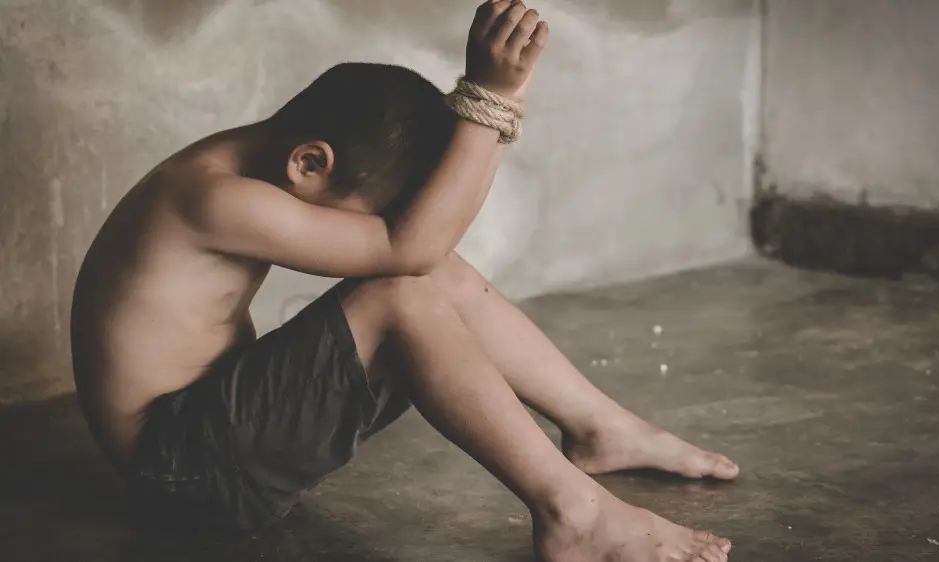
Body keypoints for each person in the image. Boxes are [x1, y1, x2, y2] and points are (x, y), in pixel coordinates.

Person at [70, 1, 738, 560]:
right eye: (360, 215)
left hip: (209, 432)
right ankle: (574, 513)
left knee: (430, 273)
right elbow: (406, 250)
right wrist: (494, 97)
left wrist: (499, 102)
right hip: (183, 469)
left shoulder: (252, 163)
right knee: (402, 286)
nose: (365, 232)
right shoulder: (214, 197)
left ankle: (600, 427)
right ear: (310, 163)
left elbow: (422, 247)